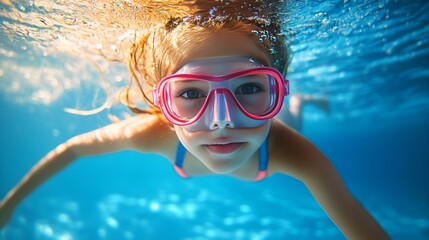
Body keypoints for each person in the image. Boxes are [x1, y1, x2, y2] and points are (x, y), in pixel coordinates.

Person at [0, 1, 389, 239]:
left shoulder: (294, 152)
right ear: (162, 103)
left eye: (251, 88)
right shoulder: (153, 134)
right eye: (190, 93)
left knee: (295, 116)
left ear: (277, 87)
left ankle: (300, 101)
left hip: (283, 123)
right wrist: (8, 206)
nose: (222, 121)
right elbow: (72, 150)